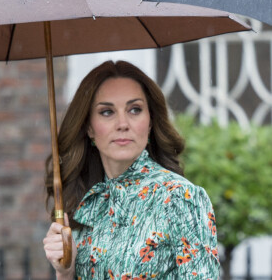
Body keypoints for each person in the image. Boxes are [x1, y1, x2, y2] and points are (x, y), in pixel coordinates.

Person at [43, 60, 220, 279]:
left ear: (150, 122)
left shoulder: (181, 198)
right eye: (107, 112)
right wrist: (65, 272)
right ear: (89, 127)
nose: (122, 123)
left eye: (134, 109)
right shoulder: (86, 206)